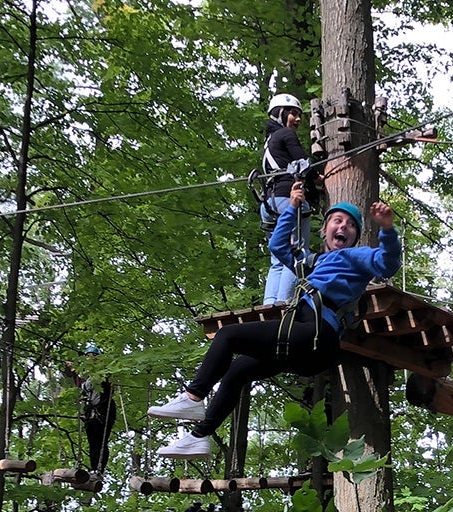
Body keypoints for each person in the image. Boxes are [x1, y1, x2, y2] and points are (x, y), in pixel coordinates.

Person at [149, 181, 401, 459]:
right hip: (304, 343)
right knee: (237, 371)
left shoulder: (357, 257)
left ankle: (194, 397)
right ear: (325, 229)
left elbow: (387, 263)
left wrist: (387, 229)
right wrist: (292, 207)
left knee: (228, 336)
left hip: (318, 334)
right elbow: (278, 245)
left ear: (355, 236)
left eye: (350, 225)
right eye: (337, 221)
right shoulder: (312, 261)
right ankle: (199, 437)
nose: (343, 228)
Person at [261, 92, 312, 306]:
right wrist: (319, 178)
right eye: (293, 113)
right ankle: (284, 302)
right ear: (280, 112)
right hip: (286, 199)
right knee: (298, 251)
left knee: (277, 257)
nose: (298, 119)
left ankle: (270, 304)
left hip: (268, 203)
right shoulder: (285, 134)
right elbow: (304, 163)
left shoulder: (269, 141)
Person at [65, 344, 117, 477]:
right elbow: (81, 384)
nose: (90, 358)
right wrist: (73, 370)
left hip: (104, 411)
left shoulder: (103, 373)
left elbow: (108, 383)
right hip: (91, 413)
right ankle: (94, 469)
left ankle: (99, 469)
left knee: (100, 441)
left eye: (93, 356)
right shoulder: (88, 379)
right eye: (88, 356)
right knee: (92, 442)